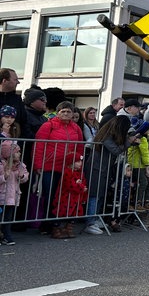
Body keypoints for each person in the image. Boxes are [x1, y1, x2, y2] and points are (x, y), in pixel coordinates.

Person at [32, 101, 85, 235]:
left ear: (73, 113)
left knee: (62, 197)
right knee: (49, 195)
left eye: (68, 111)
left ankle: (58, 224)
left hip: (67, 168)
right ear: (58, 112)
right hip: (50, 166)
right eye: (63, 111)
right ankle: (46, 224)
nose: (66, 114)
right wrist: (38, 165)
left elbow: (79, 147)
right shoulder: (48, 126)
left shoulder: (76, 128)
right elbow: (39, 146)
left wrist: (78, 163)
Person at [82, 116, 132, 236]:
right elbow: (115, 150)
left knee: (100, 195)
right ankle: (90, 222)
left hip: (103, 168)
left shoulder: (110, 134)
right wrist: (129, 141)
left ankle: (95, 218)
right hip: (96, 168)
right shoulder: (106, 135)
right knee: (94, 195)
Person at [50, 152, 88, 239]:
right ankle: (56, 229)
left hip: (76, 199)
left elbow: (83, 183)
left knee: (74, 214)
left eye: (80, 161)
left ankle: (68, 229)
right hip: (65, 197)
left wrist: (83, 190)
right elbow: (70, 185)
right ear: (71, 162)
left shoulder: (80, 173)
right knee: (60, 213)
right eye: (78, 161)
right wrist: (81, 187)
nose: (80, 163)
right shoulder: (67, 172)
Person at [0, 140, 29, 245]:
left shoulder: (20, 165)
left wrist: (22, 176)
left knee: (8, 218)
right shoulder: (2, 166)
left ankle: (7, 236)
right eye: (17, 152)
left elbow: (25, 177)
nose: (19, 153)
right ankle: (5, 236)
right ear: (9, 154)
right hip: (2, 196)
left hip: (12, 197)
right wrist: (4, 177)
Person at [0, 68, 30, 138]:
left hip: (14, 145)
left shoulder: (17, 99)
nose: (18, 82)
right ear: (4, 81)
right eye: (15, 80)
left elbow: (24, 122)